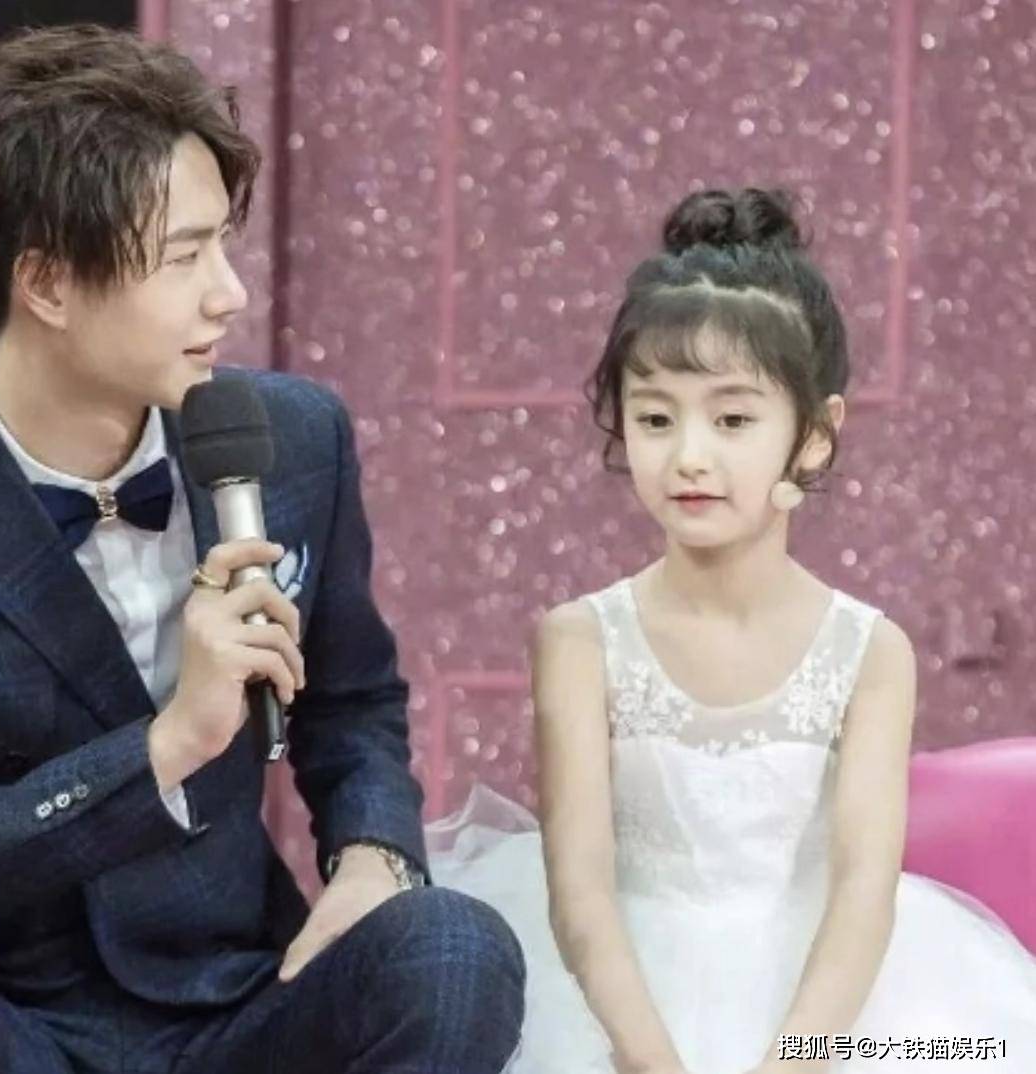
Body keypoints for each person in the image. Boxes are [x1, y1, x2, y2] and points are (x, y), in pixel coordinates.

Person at [0, 24, 523, 1074]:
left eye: (222, 243)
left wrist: (373, 857)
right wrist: (167, 745)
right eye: (183, 257)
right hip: (10, 1022)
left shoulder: (291, 439)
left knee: (452, 947)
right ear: (47, 283)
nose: (228, 292)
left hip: (242, 1002)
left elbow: (352, 702)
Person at [429, 188, 1036, 1074]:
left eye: (733, 419)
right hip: (614, 1000)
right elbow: (582, 895)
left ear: (816, 435)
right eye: (655, 418)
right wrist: (650, 1062)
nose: (689, 456)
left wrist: (797, 1062)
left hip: (835, 1005)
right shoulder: (579, 640)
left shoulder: (870, 653)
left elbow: (863, 892)